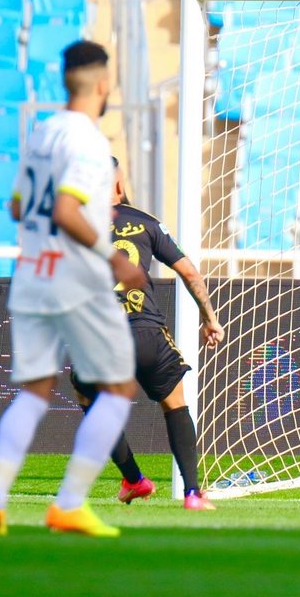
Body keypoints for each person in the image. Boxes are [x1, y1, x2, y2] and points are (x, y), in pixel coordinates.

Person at [0, 41, 146, 537]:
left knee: (32, 392)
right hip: (77, 279)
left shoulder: (41, 135)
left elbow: (15, 207)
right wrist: (115, 257)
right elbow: (67, 212)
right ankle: (69, 503)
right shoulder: (89, 143)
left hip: (31, 274)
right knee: (116, 389)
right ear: (103, 84)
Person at [69, 157, 224, 511]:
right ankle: (192, 494)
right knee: (175, 405)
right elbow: (191, 274)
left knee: (87, 397)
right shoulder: (146, 223)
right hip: (148, 333)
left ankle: (134, 479)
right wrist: (209, 318)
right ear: (120, 186)